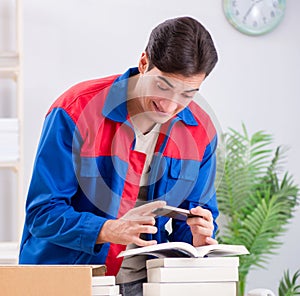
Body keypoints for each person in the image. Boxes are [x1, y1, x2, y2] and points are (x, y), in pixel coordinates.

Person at [19, 16, 219, 296]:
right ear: (143, 62)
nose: (170, 104)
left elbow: (191, 227)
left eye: (187, 94)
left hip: (148, 285)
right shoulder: (76, 111)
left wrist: (199, 239)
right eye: (162, 86)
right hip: (69, 281)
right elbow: (42, 214)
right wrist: (108, 230)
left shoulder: (200, 133)